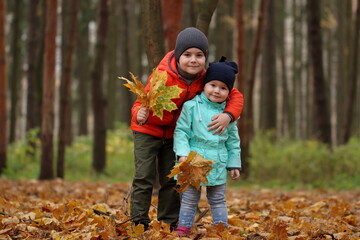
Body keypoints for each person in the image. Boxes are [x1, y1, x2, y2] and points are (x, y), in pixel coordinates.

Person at [129, 27, 244, 231]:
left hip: (176, 134)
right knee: (144, 176)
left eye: (199, 55)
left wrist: (228, 115)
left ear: (205, 57)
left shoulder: (207, 79)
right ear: (177, 55)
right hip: (148, 131)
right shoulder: (163, 76)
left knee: (171, 178)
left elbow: (235, 95)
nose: (193, 60)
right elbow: (142, 100)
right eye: (187, 55)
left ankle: (168, 221)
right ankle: (139, 221)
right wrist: (139, 114)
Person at [173, 59, 242, 236]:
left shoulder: (229, 115)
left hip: (217, 161)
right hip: (193, 159)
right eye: (213, 85)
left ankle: (221, 228)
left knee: (217, 199)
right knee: (189, 198)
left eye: (223, 88)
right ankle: (184, 226)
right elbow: (181, 132)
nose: (217, 91)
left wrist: (234, 164)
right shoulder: (191, 107)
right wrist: (182, 154)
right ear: (204, 85)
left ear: (229, 92)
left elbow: (233, 141)